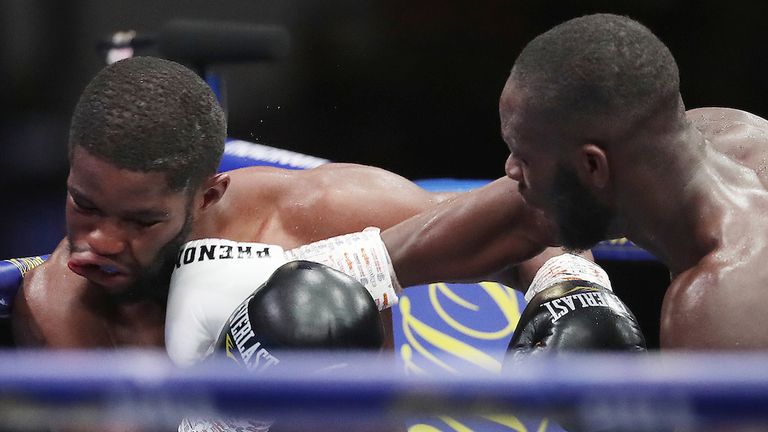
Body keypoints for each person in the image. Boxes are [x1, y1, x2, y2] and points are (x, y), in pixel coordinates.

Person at [10, 56, 565, 353]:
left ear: (208, 194)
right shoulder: (62, 304)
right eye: (84, 205)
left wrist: (571, 291)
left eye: (139, 219)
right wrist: (226, 409)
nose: (101, 240)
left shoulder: (316, 211)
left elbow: (537, 213)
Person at [381, 12, 768, 350]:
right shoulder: (712, 138)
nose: (510, 168)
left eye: (523, 155)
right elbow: (521, 216)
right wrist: (355, 268)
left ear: (593, 167)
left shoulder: (718, 306)